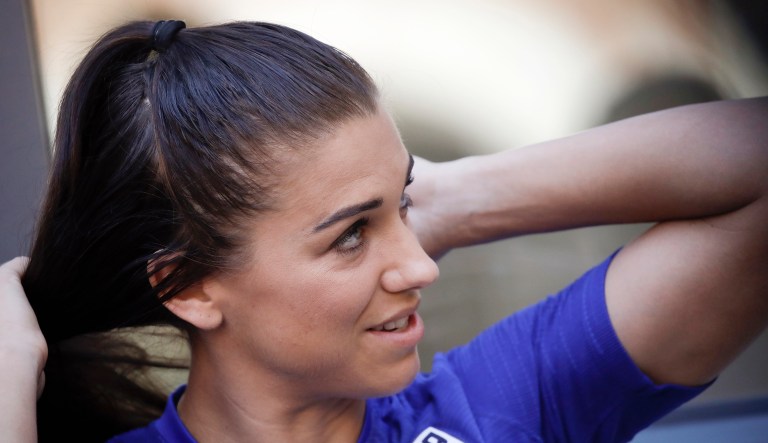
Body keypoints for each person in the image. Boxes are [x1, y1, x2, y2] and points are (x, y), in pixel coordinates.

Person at [2, 18, 766, 443]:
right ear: (188, 286)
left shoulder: (497, 406)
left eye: (400, 206)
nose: (420, 266)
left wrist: (454, 197)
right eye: (349, 236)